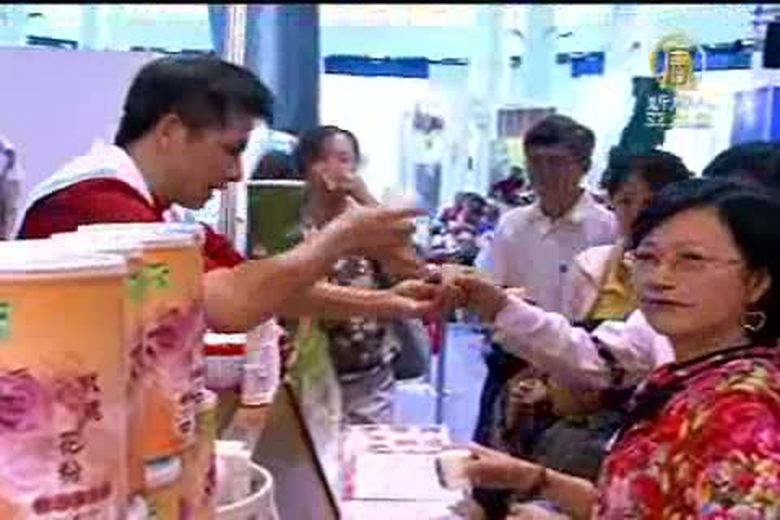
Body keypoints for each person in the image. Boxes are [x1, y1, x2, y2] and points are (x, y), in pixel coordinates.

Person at [13, 55, 439, 333]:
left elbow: (260, 285)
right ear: (171, 132)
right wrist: (341, 238)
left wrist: (386, 302)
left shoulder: (162, 212)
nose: (236, 173)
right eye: (231, 150)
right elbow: (228, 304)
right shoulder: (97, 203)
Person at [461, 178, 780, 518]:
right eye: (647, 257)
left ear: (756, 282)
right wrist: (536, 479)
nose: (659, 278)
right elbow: (640, 506)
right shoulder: (692, 375)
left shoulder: (743, 414)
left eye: (691, 260)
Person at [470, 114, 617, 519]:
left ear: (584, 166)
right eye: (536, 163)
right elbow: (489, 288)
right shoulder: (513, 225)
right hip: (512, 363)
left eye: (557, 163)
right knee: (490, 473)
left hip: (577, 372)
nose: (544, 174)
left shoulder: (605, 228)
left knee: (555, 474)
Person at [297, 124, 427, 424]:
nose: (334, 169)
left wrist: (366, 198)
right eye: (322, 160)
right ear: (307, 167)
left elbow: (412, 268)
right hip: (306, 374)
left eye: (345, 159)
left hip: (368, 372)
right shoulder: (291, 223)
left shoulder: (368, 221)